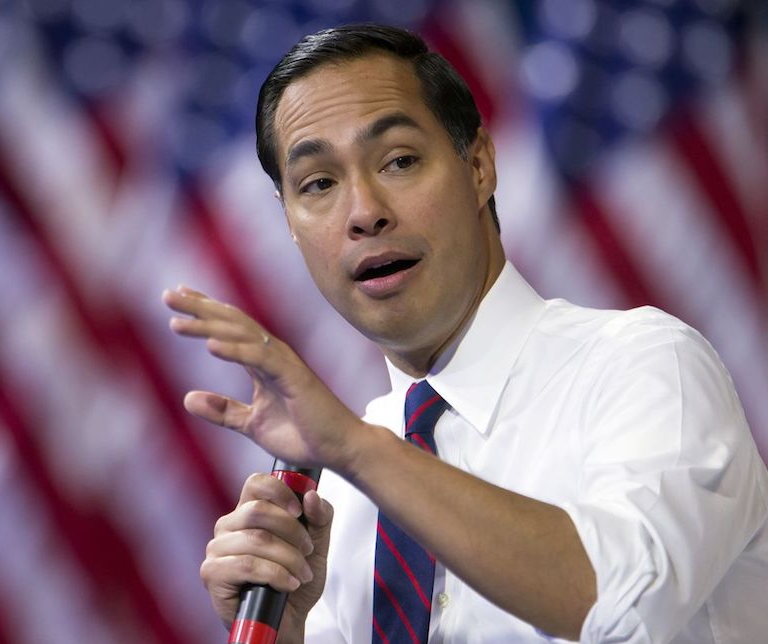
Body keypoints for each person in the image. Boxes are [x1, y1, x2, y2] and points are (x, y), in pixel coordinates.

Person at [162, 23, 768, 644]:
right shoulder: (334, 498)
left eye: (398, 161)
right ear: (289, 223)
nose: (364, 212)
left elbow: (620, 608)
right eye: (319, 184)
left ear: (478, 165)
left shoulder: (646, 368)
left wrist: (359, 450)